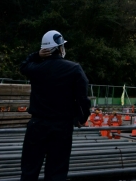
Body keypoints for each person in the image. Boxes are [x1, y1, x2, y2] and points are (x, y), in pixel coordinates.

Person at [20, 30, 90, 181]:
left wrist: (36, 55)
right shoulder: (73, 68)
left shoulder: (36, 69)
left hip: (37, 124)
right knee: (56, 172)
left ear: (45, 50)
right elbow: (83, 98)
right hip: (62, 127)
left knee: (29, 170)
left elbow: (23, 66)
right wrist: (82, 117)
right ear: (59, 48)